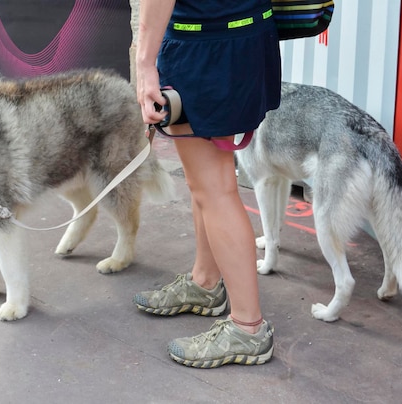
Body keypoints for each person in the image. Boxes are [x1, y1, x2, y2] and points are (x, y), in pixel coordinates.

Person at [133, 0, 281, 368]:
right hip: (240, 33)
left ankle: (248, 328)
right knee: (209, 182)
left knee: (214, 190)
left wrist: (145, 62)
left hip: (207, 44)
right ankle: (206, 281)